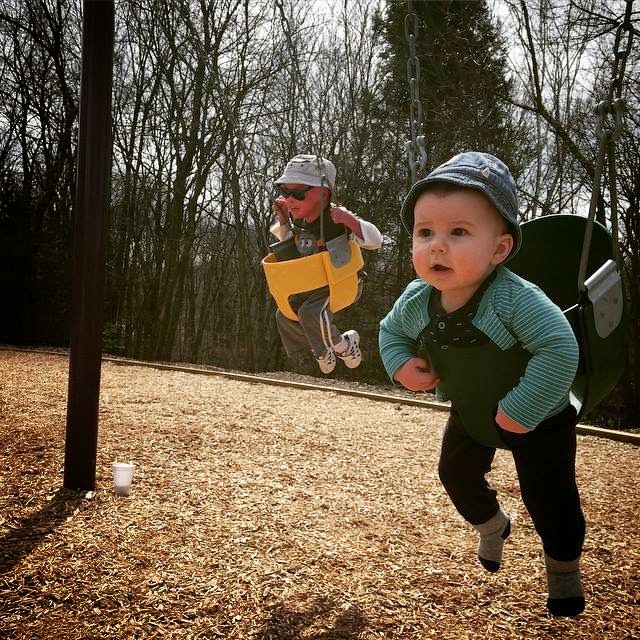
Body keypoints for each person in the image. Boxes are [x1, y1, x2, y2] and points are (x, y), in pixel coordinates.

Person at [379, 151, 585, 617]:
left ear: (499, 249)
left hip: (541, 418)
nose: (437, 246)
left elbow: (561, 349)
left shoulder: (516, 300)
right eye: (425, 231)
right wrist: (400, 363)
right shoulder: (419, 298)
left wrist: (522, 409)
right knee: (455, 474)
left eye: (459, 232)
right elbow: (389, 331)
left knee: (549, 499)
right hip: (472, 410)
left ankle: (563, 569)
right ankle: (492, 526)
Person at [269, 154, 382, 374]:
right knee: (285, 313)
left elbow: (375, 241)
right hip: (314, 282)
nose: (290, 200)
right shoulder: (297, 220)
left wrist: (350, 221)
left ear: (323, 193)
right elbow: (288, 246)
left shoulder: (335, 217)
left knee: (311, 313)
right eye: (285, 192)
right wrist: (284, 220)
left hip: (342, 281)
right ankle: (342, 344)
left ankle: (325, 351)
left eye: (298, 194)